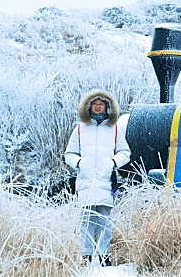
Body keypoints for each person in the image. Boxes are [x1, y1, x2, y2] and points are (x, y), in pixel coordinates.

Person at [64, 90, 131, 267]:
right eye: (95, 103)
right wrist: (79, 163)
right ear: (89, 106)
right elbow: (68, 154)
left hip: (106, 181)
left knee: (104, 221)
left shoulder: (114, 128)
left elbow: (126, 153)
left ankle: (104, 256)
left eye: (102, 104)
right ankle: (86, 256)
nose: (98, 106)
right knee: (86, 221)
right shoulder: (79, 129)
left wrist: (113, 162)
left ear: (108, 107)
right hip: (85, 181)